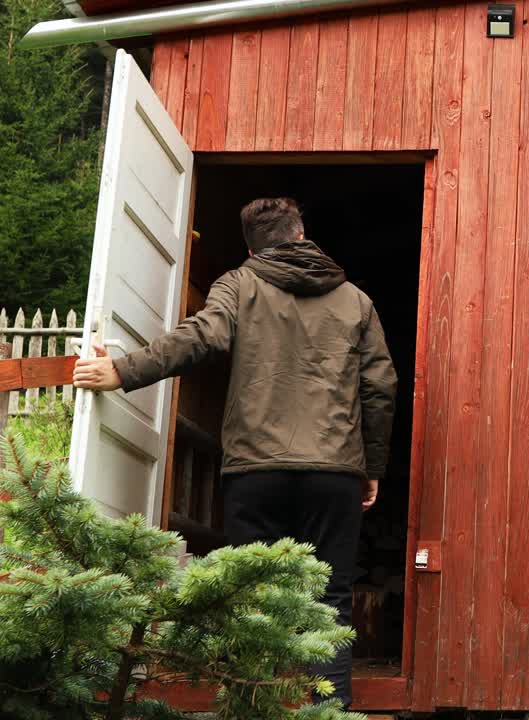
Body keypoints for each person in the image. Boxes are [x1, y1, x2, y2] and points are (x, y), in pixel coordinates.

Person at [73, 197, 396, 710]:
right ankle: (327, 711)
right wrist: (370, 468)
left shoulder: (238, 284)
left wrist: (123, 370)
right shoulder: (355, 300)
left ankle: (250, 709)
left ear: (251, 246)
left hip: (255, 470)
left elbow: (199, 337)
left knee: (250, 598)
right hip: (334, 470)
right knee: (331, 599)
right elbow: (380, 387)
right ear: (301, 232)